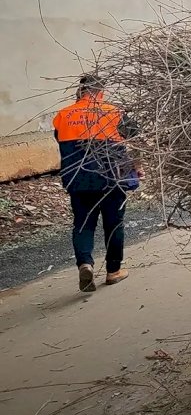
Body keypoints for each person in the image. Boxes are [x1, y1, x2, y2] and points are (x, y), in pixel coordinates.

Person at [53, 74, 142, 292]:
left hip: (77, 178)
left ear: (80, 92)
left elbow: (60, 141)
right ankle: (113, 271)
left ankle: (85, 263)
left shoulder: (63, 115)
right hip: (111, 177)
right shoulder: (114, 112)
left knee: (83, 224)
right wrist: (137, 165)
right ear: (101, 92)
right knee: (114, 223)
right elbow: (137, 138)